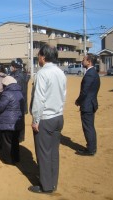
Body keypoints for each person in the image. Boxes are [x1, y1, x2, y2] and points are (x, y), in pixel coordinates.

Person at [29, 45, 67, 194]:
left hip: (45, 118)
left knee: (43, 153)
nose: (38, 58)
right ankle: (52, 183)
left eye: (38, 56)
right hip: (58, 116)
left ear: (43, 57)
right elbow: (63, 95)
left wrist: (36, 119)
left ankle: (46, 186)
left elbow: (39, 99)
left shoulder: (42, 74)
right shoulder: (60, 72)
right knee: (53, 153)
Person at [75, 53, 100, 156]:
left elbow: (84, 92)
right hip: (91, 103)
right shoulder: (94, 72)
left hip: (87, 105)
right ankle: (92, 147)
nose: (82, 61)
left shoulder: (90, 74)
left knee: (88, 127)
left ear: (89, 61)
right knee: (90, 127)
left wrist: (78, 101)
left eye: (84, 60)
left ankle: (90, 149)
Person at [0, 76, 24, 165]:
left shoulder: (6, 94)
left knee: (7, 142)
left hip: (7, 121)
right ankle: (16, 157)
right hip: (17, 121)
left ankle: (9, 160)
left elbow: (1, 107)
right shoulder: (20, 93)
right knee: (15, 140)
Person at [9, 58, 29, 142]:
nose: (10, 67)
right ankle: (21, 137)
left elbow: (15, 89)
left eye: (12, 65)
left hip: (16, 102)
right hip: (23, 101)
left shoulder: (16, 76)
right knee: (21, 120)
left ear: (15, 67)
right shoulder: (24, 75)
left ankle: (18, 138)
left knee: (16, 120)